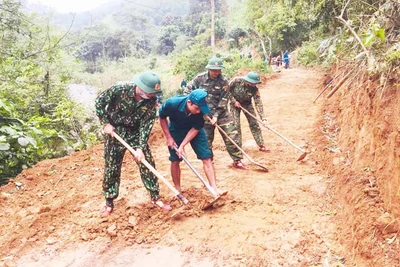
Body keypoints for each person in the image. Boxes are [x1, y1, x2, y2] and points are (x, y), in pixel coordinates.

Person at [95, 71, 172, 217]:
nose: (151, 96)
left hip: (135, 132)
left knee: (146, 163)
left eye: (153, 94)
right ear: (140, 88)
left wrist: (140, 147)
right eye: (150, 93)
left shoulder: (151, 102)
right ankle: (109, 201)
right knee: (112, 166)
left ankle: (155, 197)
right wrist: (105, 123)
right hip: (115, 130)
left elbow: (146, 124)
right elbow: (99, 102)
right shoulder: (119, 89)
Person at [185, 57, 247, 170]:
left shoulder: (224, 81)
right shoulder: (199, 79)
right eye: (214, 70)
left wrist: (216, 115)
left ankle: (237, 160)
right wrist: (196, 105)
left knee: (232, 135)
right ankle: (209, 161)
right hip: (203, 115)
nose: (216, 72)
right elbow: (187, 92)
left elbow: (224, 100)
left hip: (221, 113)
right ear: (209, 69)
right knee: (206, 140)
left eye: (218, 70)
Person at [159, 89, 221, 194]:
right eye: (196, 108)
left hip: (194, 129)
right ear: (189, 102)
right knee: (175, 160)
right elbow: (162, 117)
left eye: (200, 109)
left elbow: (196, 129)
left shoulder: (201, 110)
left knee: (206, 157)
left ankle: (214, 189)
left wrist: (182, 145)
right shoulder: (172, 103)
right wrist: (169, 137)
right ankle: (177, 190)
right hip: (176, 129)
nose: (198, 111)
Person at [229, 71, 270, 153]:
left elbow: (258, 102)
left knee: (254, 124)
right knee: (236, 125)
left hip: (247, 104)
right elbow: (227, 91)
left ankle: (261, 144)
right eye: (252, 83)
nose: (254, 85)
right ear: (247, 80)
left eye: (255, 83)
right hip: (235, 104)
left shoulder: (255, 89)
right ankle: (237, 146)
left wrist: (263, 118)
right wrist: (234, 101)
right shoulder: (236, 81)